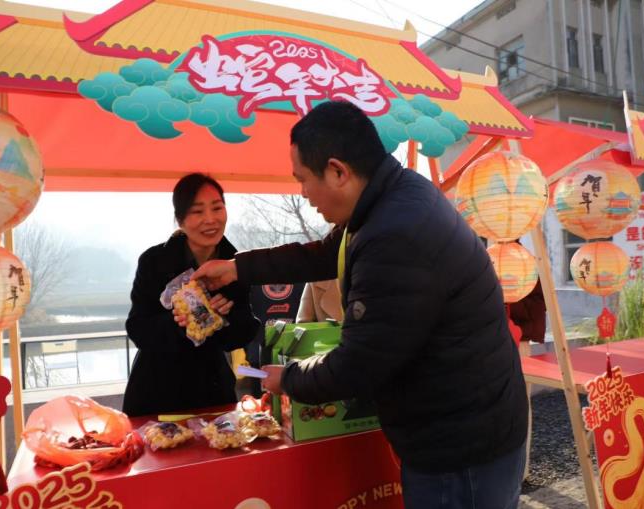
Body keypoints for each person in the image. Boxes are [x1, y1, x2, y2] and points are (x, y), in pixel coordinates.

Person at [192, 101, 529, 509]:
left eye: (302, 180)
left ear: (338, 171)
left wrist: (288, 379)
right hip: (463, 425)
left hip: (461, 449)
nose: (303, 193)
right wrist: (237, 268)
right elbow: (320, 254)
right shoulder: (391, 198)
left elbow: (358, 364)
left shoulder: (395, 234)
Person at [122, 173, 260, 417]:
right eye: (197, 211)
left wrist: (223, 320)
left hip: (211, 390)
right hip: (156, 390)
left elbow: (245, 328)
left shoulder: (234, 262)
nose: (210, 219)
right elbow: (137, 327)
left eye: (217, 208)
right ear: (180, 220)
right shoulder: (154, 261)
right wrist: (178, 323)